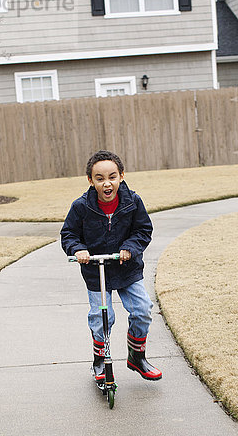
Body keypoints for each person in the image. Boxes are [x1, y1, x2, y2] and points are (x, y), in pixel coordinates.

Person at [61, 149, 162, 383]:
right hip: (97, 271)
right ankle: (100, 360)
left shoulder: (132, 201)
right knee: (101, 316)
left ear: (121, 176)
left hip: (127, 268)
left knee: (143, 310)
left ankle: (136, 356)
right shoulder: (81, 207)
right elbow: (68, 234)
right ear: (90, 180)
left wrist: (129, 247)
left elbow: (143, 230)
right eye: (100, 178)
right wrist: (78, 250)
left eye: (112, 177)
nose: (107, 183)